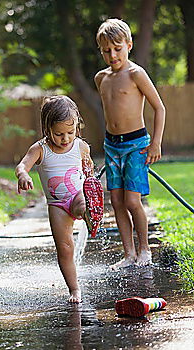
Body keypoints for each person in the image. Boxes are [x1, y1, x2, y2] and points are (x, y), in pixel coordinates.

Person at [94, 18, 165, 269]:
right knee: (116, 201)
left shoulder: (136, 74)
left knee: (133, 201)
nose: (112, 55)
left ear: (129, 45)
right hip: (112, 146)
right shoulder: (100, 78)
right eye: (106, 50)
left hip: (136, 144)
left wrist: (155, 143)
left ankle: (145, 249)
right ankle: (129, 254)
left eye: (117, 48)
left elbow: (159, 108)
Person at [15, 95, 94, 303]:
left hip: (77, 195)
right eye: (59, 134)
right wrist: (23, 175)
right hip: (57, 206)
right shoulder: (40, 149)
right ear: (47, 128)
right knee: (65, 249)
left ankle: (89, 213)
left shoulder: (81, 147)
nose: (66, 138)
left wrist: (91, 177)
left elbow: (88, 170)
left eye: (71, 132)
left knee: (82, 203)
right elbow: (22, 165)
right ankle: (74, 289)